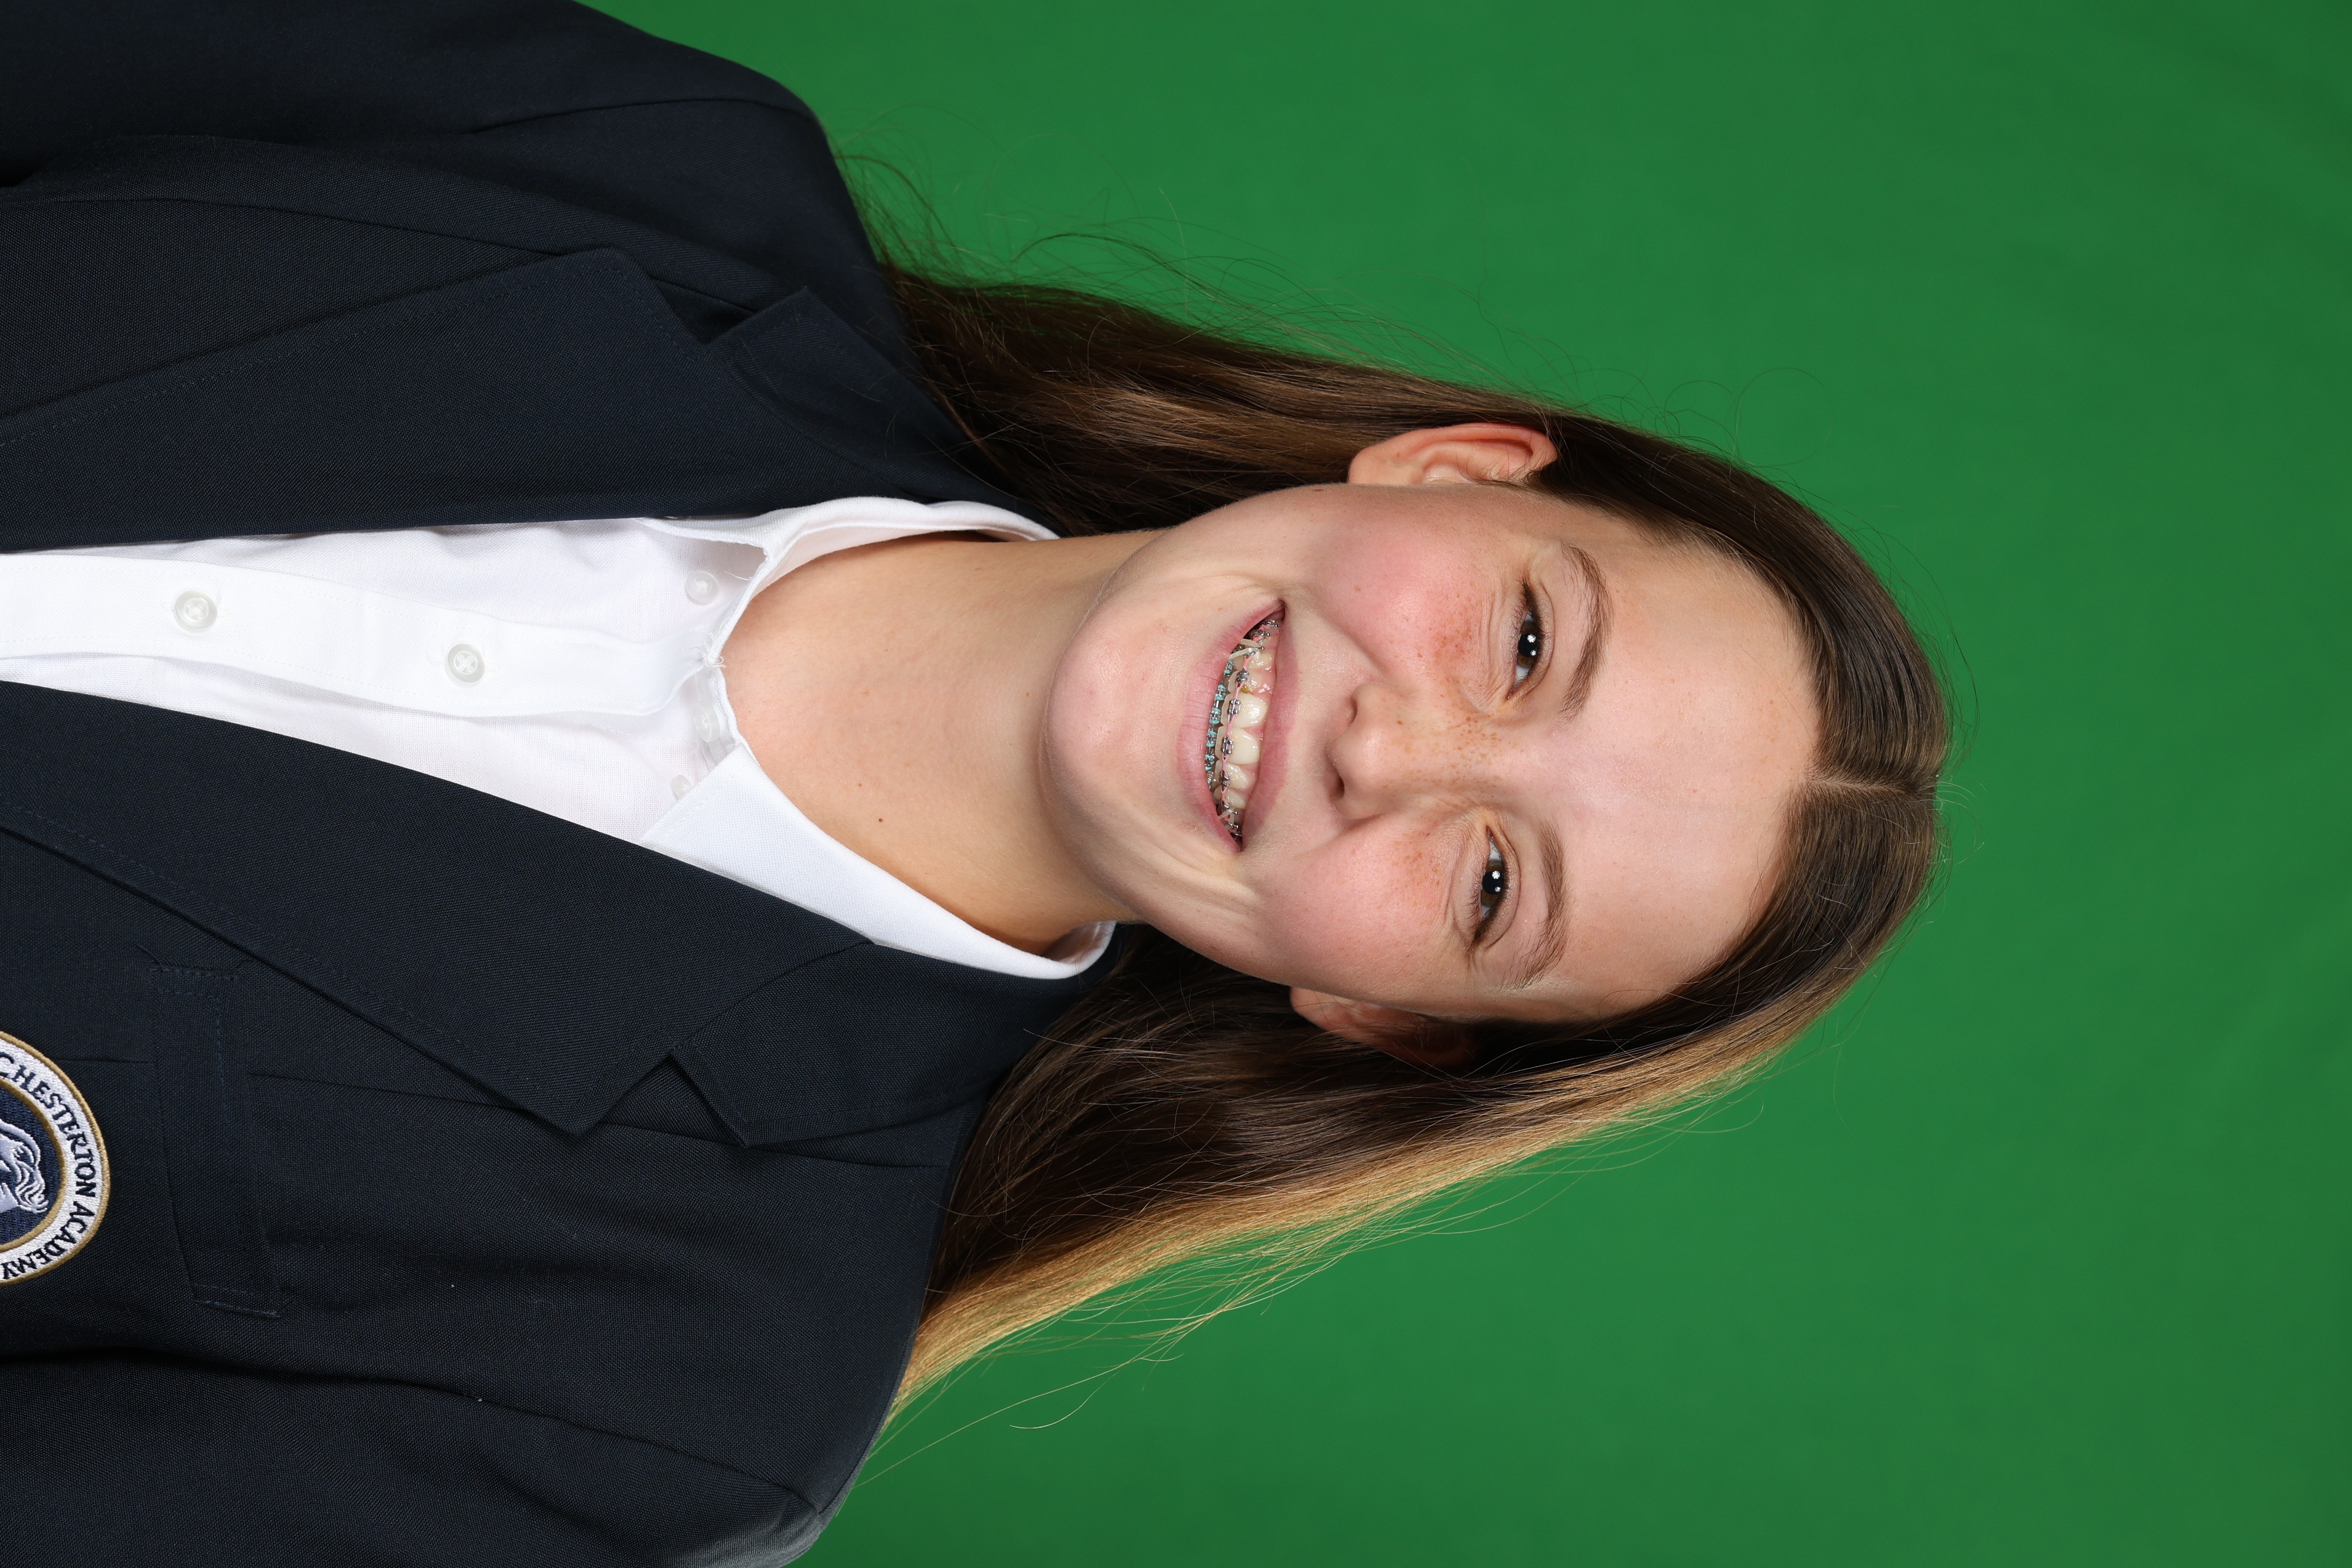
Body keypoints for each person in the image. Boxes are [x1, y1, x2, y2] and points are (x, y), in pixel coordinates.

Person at [0, 2, 1948, 1564]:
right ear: (1454, 471)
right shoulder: (646, 159)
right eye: (1525, 643)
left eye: (1495, 886)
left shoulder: (663, 1389)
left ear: (1381, 1017)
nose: (1392, 748)